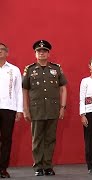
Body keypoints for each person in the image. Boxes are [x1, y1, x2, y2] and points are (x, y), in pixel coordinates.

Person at [22, 40, 67, 176]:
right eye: (39, 51)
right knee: (37, 139)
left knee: (50, 139)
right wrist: (25, 109)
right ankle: (38, 166)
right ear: (35, 53)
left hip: (52, 109)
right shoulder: (29, 69)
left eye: (44, 51)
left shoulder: (56, 69)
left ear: (48, 53)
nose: (41, 53)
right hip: (36, 110)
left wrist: (62, 107)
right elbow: (24, 90)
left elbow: (63, 88)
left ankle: (47, 166)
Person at [0, 43, 23, 178]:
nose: (0, 52)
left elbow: (18, 91)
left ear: (7, 53)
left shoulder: (14, 70)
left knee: (6, 139)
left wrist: (19, 109)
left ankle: (3, 168)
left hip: (9, 108)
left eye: (2, 50)